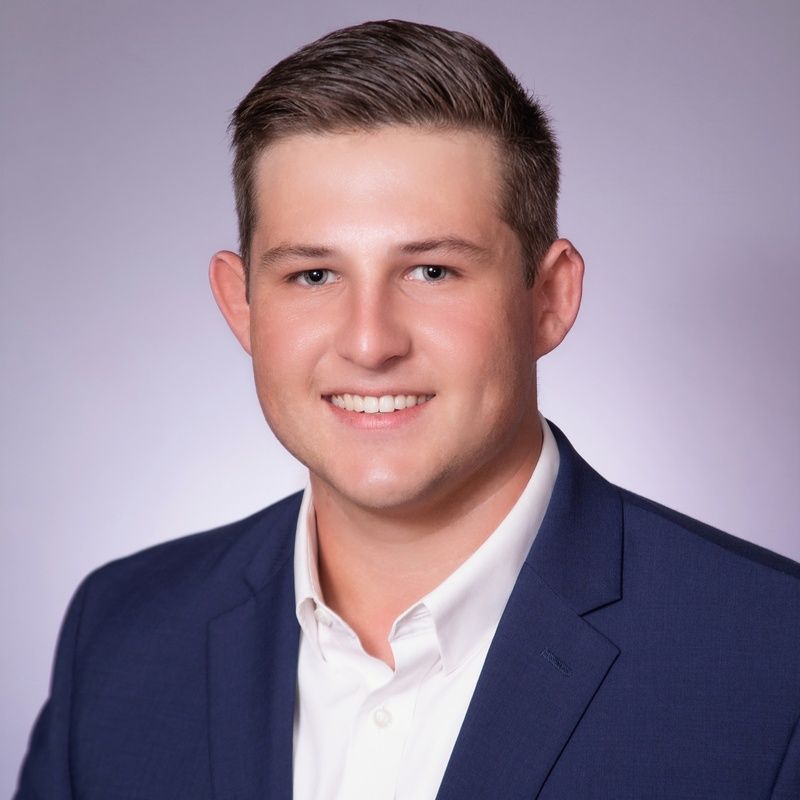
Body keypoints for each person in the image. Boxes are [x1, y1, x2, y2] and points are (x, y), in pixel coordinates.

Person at [15, 19, 800, 800]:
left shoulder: (772, 659)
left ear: (550, 299)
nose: (369, 342)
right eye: (313, 276)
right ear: (241, 305)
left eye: (431, 270)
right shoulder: (120, 635)